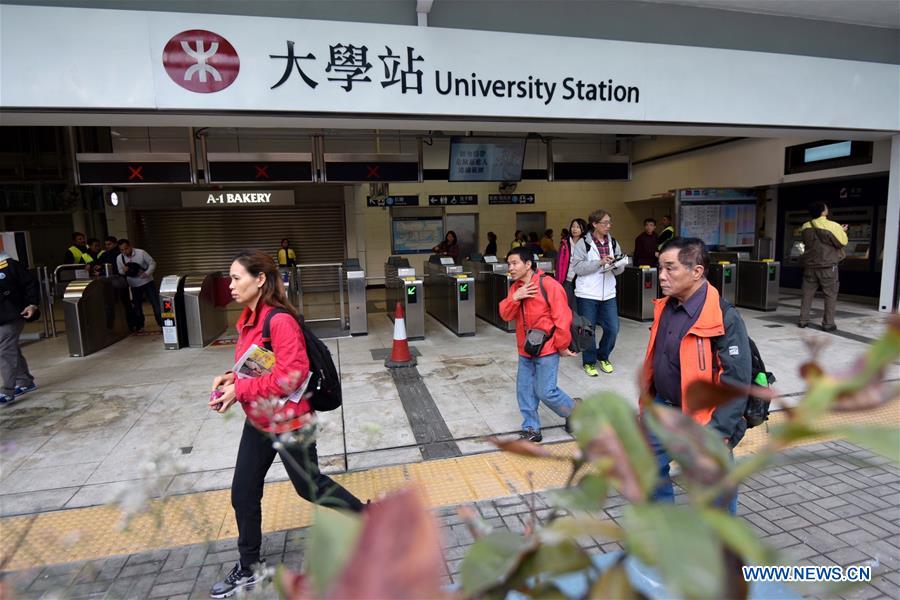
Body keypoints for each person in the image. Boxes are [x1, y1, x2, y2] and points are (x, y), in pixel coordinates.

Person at [208, 250, 364, 597]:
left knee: (310, 487)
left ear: (259, 279)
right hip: (259, 421)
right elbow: (259, 364)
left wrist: (239, 391)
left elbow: (291, 376)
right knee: (243, 493)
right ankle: (249, 567)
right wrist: (231, 379)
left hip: (291, 422)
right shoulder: (248, 319)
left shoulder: (279, 321)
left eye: (236, 278)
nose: (230, 285)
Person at [640, 237, 751, 514]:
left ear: (696, 271)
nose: (661, 275)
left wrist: (718, 432)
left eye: (670, 268)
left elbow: (735, 383)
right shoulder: (665, 306)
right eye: (660, 267)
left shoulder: (724, 316)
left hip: (704, 418)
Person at [499, 247, 579, 442]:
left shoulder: (549, 285)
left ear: (528, 264)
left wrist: (562, 345)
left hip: (547, 348)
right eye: (509, 264)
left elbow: (562, 318)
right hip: (526, 348)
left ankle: (574, 409)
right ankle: (531, 428)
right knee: (525, 390)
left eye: (515, 263)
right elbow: (506, 315)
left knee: (546, 391)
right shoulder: (516, 288)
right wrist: (515, 298)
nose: (511, 268)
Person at [571, 210, 628, 376]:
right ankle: (589, 362)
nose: (608, 226)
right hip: (587, 294)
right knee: (589, 329)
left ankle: (603, 356)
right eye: (605, 223)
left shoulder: (613, 242)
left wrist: (617, 265)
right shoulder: (584, 243)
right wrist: (600, 262)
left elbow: (619, 271)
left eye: (610, 222)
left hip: (608, 294)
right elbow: (578, 268)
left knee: (613, 328)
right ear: (594, 224)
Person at [799, 202, 848, 332]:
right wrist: (842, 231)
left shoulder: (805, 226)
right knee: (830, 295)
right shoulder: (833, 225)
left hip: (810, 266)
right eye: (826, 207)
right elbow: (842, 242)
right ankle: (828, 323)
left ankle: (803, 320)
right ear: (823, 211)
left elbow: (805, 242)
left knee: (807, 294)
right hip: (828, 266)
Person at [0, 253, 39, 404]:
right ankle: (25, 381)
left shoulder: (11, 265)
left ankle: (7, 390)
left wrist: (32, 304)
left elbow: (30, 284)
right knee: (11, 348)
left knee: (5, 350)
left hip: (13, 314)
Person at [117, 239, 162, 332]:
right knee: (137, 306)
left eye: (126, 249)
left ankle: (161, 324)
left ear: (130, 246)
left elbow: (152, 263)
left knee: (155, 303)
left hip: (148, 282)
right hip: (134, 285)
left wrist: (147, 273)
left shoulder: (141, 253)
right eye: (122, 250)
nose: (124, 251)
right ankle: (140, 325)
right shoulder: (119, 258)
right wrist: (123, 271)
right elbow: (120, 271)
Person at [556, 218, 588, 308]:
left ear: (583, 229)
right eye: (573, 226)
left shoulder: (587, 244)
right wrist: (559, 280)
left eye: (578, 227)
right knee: (566, 305)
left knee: (579, 306)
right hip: (567, 279)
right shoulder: (565, 243)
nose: (575, 229)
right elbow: (559, 263)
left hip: (582, 280)